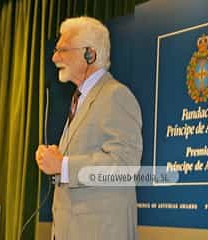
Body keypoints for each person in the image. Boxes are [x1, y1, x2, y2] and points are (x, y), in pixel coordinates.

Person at [35, 16, 143, 240]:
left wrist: (63, 165)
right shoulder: (80, 99)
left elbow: (124, 165)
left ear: (89, 54)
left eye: (63, 50)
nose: (54, 57)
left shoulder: (115, 95)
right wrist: (55, 161)